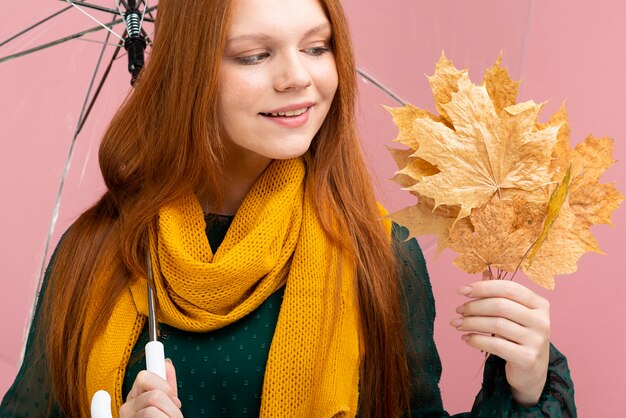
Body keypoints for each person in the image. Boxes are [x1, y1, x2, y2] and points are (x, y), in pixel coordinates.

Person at [1, 0, 576, 417]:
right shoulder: (96, 249)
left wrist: (526, 388)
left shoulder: (378, 254)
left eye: (317, 47)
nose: (297, 77)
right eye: (254, 56)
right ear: (189, 73)